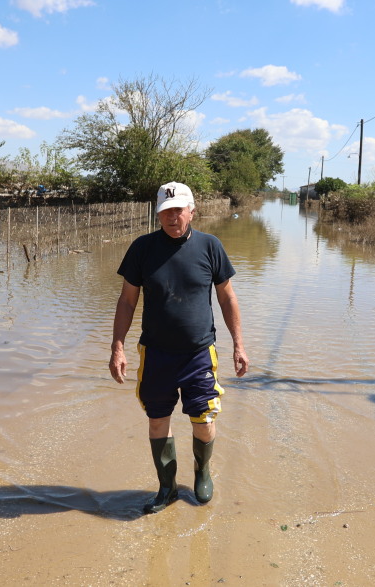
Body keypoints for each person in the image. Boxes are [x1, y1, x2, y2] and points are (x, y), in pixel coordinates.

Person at [108, 181, 249, 514]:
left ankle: (202, 471)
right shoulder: (142, 248)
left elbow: (227, 298)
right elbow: (127, 301)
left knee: (204, 420)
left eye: (178, 210)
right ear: (158, 215)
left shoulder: (210, 246)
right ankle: (167, 488)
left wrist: (238, 345)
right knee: (158, 420)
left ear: (192, 212)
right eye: (166, 212)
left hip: (199, 353)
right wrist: (117, 347)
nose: (172, 217)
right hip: (155, 354)